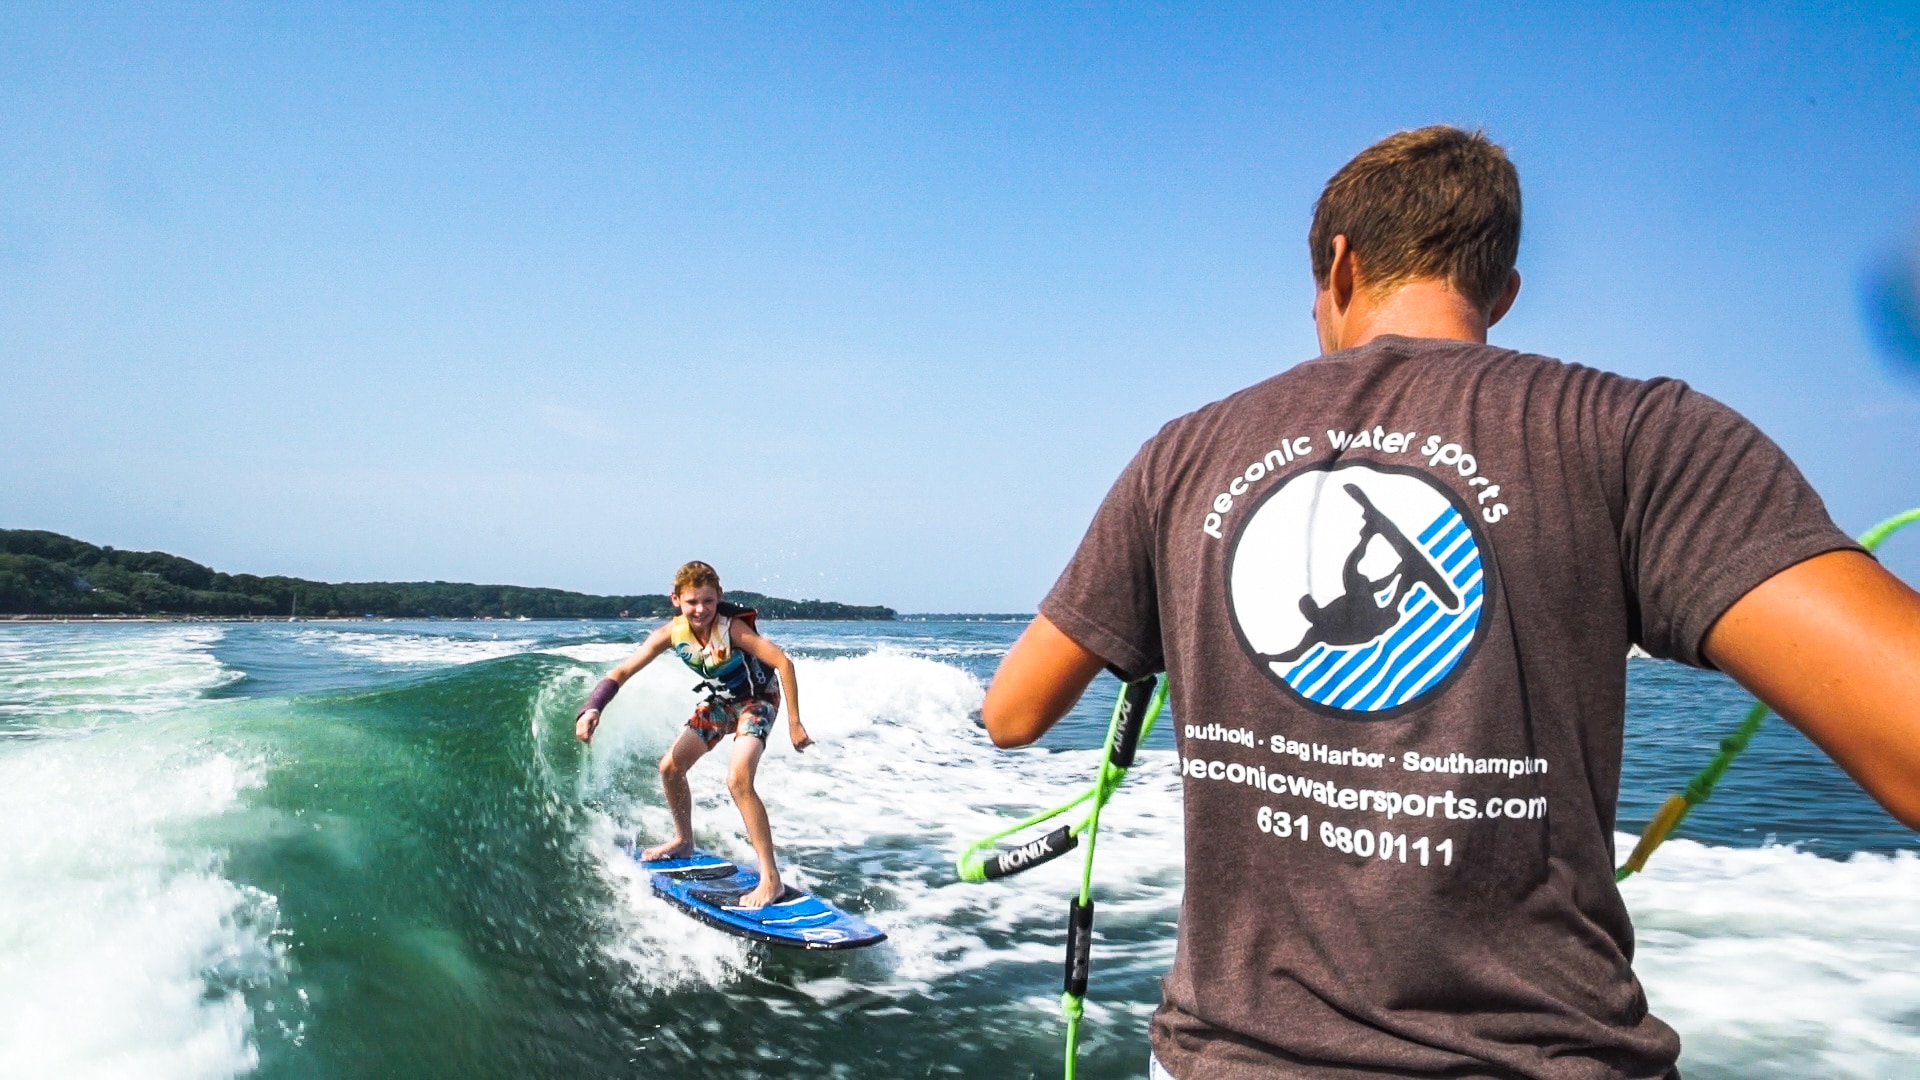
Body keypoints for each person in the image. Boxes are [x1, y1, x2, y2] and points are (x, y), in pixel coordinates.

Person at [981, 126, 1920, 1078]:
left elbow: (1013, 712)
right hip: (1535, 1060)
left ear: (1338, 267)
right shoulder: (1637, 434)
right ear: (1504, 290)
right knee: (1364, 579)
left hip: (1226, 1062)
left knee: (1363, 578)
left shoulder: (1178, 458)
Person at [576, 560, 814, 909]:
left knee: (738, 780)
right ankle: (684, 841)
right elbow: (623, 670)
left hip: (758, 701)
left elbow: (783, 663)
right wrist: (593, 707)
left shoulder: (732, 629)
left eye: (707, 601)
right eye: (692, 602)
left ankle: (771, 879)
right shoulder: (671, 634)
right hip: (721, 703)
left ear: (719, 597)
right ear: (676, 600)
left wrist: (794, 721)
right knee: (670, 767)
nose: (700, 610)